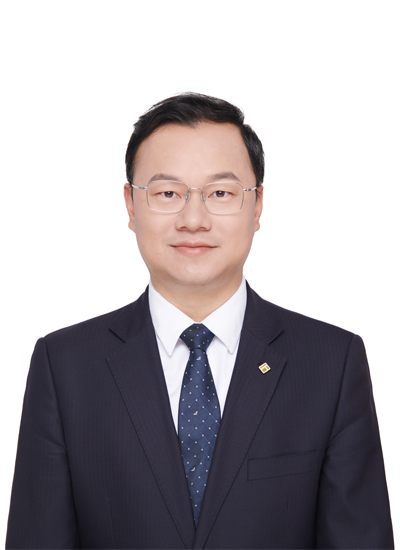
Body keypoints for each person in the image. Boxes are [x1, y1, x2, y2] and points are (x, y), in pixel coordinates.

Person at [6, 93, 393, 549]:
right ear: (131, 205)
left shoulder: (331, 364)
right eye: (168, 193)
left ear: (257, 205)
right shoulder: (65, 367)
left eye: (220, 193)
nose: (193, 219)